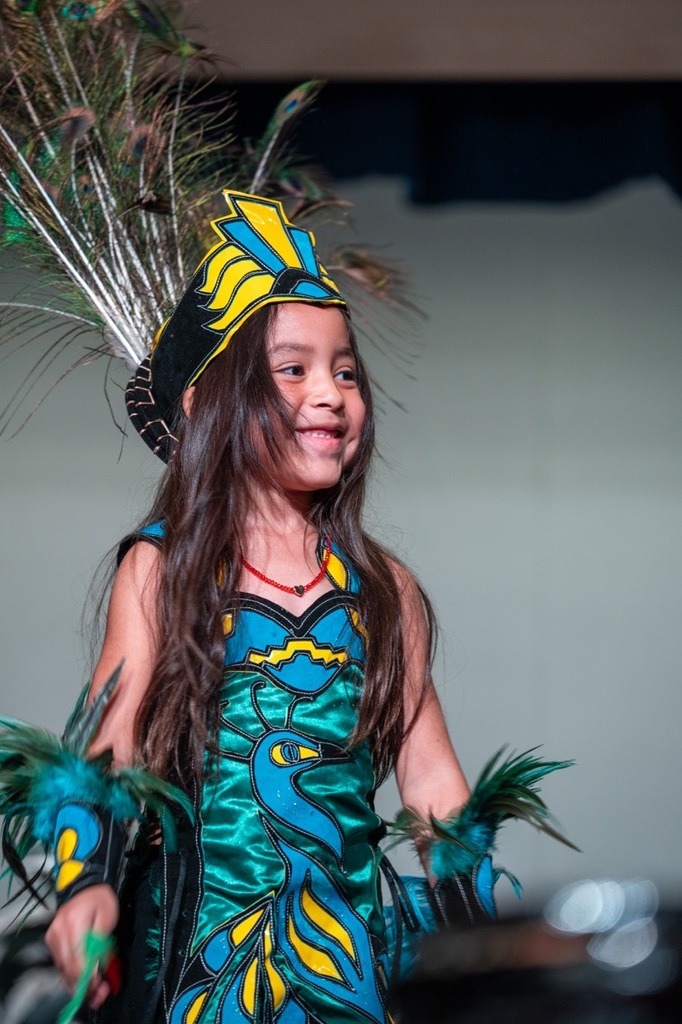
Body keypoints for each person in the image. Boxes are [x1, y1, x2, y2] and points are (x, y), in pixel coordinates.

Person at [42, 190, 470, 1024]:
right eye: (293, 369)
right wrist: (81, 887)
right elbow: (111, 743)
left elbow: (429, 776)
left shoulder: (388, 591)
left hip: (347, 973)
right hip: (194, 974)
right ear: (208, 404)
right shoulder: (163, 569)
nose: (331, 394)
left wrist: (475, 924)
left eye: (346, 370)